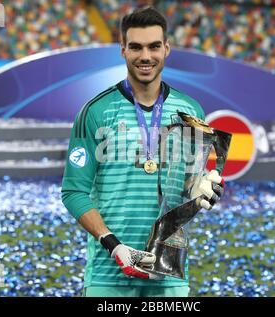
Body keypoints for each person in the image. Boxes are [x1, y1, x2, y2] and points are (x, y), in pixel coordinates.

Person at [61, 6, 224, 297]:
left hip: (169, 277)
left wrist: (204, 191)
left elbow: (187, 192)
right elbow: (73, 192)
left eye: (153, 47)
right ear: (123, 50)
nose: (145, 56)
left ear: (167, 49)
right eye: (135, 47)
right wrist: (114, 245)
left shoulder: (191, 112)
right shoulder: (95, 111)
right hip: (107, 275)